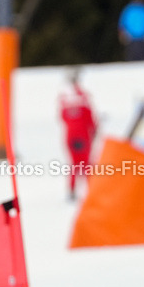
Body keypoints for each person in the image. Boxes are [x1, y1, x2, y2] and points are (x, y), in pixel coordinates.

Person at [58, 70, 98, 200]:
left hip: (70, 135)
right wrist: (94, 129)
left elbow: (62, 117)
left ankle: (72, 189)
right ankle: (91, 190)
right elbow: (89, 117)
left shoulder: (64, 97)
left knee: (74, 163)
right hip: (83, 135)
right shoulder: (83, 97)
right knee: (86, 163)